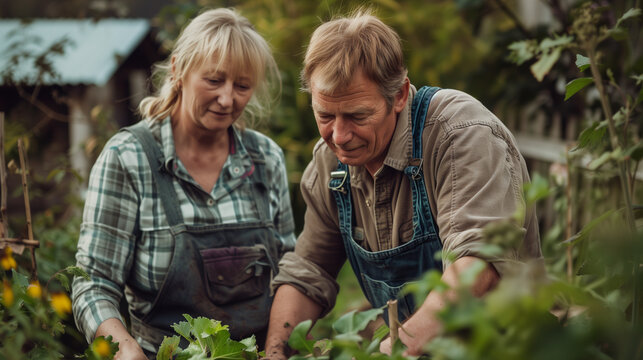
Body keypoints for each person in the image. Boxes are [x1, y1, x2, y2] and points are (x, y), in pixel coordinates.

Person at [263, 9, 542, 358]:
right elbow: (309, 271)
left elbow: (479, 264)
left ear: (398, 96)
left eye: (357, 116)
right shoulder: (330, 162)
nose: (339, 135)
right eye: (324, 116)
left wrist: (397, 349)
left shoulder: (459, 134)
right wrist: (274, 351)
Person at [71, 8, 296, 359]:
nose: (227, 99)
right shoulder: (130, 158)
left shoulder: (265, 159)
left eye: (242, 86)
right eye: (214, 80)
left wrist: (277, 350)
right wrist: (125, 349)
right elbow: (94, 283)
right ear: (178, 69)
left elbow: (290, 274)